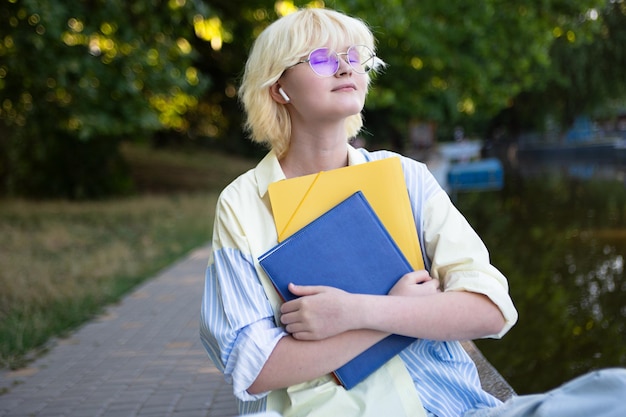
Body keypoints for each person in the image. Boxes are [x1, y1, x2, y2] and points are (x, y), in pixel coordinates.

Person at [199, 7, 626, 417]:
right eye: (323, 58)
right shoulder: (243, 204)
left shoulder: (406, 177)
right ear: (279, 88)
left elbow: (490, 308)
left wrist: (359, 312)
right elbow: (253, 367)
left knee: (615, 393)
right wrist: (399, 314)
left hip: (460, 407)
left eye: (354, 58)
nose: (347, 68)